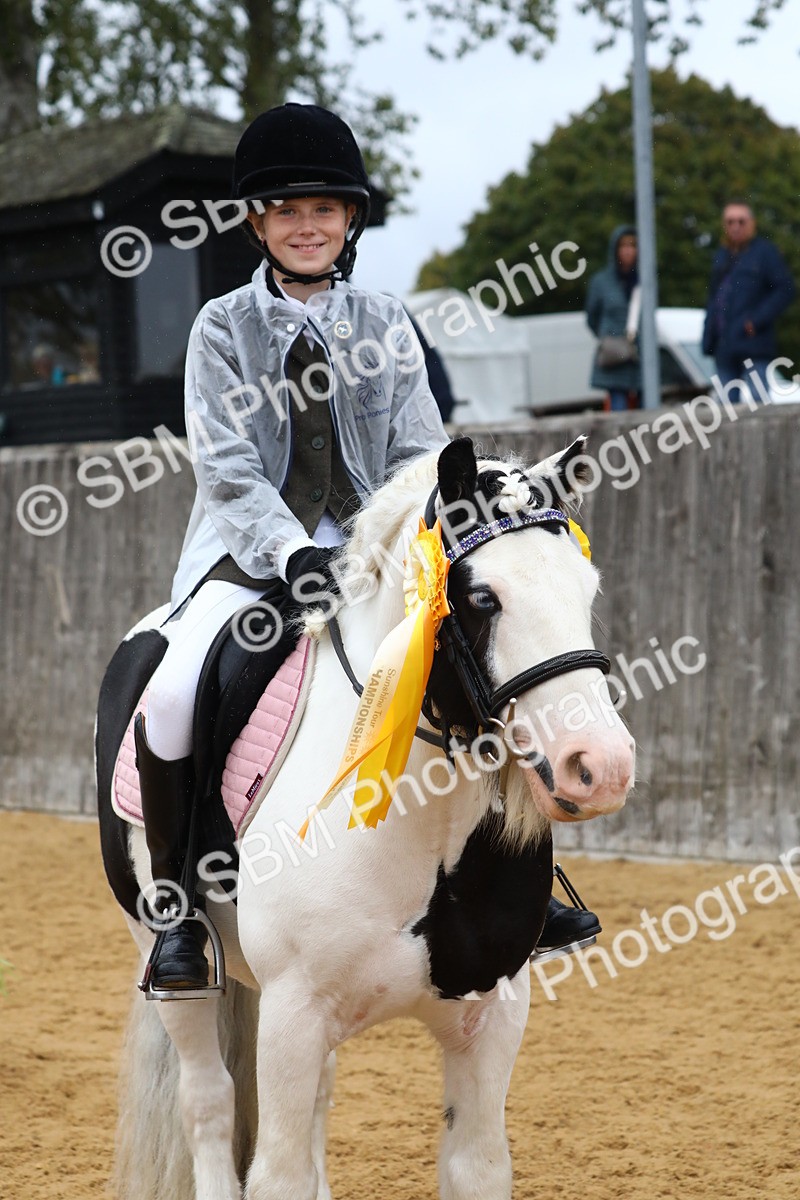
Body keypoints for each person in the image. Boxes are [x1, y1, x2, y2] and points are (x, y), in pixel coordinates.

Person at [135, 102, 597, 991]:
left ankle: (526, 882)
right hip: (248, 555)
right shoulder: (221, 329)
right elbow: (226, 470)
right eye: (287, 210)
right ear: (257, 223)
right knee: (174, 694)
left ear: (350, 219)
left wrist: (402, 538)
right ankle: (180, 912)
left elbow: (420, 452)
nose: (306, 226)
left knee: (480, 661)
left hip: (376, 555)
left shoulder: (386, 323)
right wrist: (291, 552)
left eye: (324, 209)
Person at [702, 200, 796, 403]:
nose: (735, 226)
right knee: (725, 408)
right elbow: (714, 299)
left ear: (752, 224)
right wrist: (708, 335)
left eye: (741, 221)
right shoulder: (721, 255)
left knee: (757, 401)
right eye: (730, 222)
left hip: (753, 343)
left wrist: (756, 321)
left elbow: (786, 289)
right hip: (724, 345)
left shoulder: (765, 253)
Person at [586, 226, 642, 411]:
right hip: (615, 358)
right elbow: (592, 318)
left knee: (647, 410)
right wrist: (608, 337)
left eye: (632, 245)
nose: (628, 250)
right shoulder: (601, 282)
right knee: (618, 410)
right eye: (623, 245)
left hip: (640, 356)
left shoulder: (645, 281)